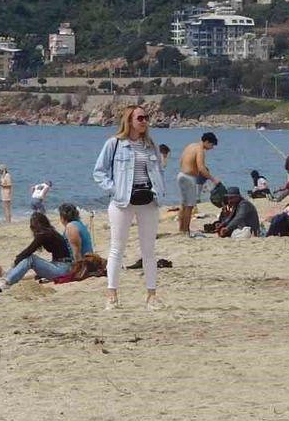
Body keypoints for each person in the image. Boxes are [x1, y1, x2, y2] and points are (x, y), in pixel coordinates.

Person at [93, 104, 167, 311]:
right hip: (122, 202)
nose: (144, 121)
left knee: (149, 250)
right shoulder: (115, 143)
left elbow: (159, 171)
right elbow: (99, 172)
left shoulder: (150, 145)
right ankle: (112, 294)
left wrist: (159, 190)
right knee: (117, 248)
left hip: (148, 200)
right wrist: (115, 189)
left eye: (146, 117)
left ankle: (151, 295)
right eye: (140, 118)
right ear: (129, 120)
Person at [0, 212, 72, 287]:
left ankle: (7, 282)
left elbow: (28, 251)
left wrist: (13, 264)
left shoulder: (44, 234)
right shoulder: (50, 232)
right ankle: (8, 275)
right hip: (62, 266)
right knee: (32, 266)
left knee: (31, 259)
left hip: (62, 269)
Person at [177, 132, 219, 234]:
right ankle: (186, 230)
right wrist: (213, 179)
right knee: (189, 206)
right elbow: (201, 168)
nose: (212, 148)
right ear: (207, 142)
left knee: (183, 204)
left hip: (181, 175)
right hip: (189, 177)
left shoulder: (190, 146)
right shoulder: (200, 150)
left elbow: (181, 160)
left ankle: (181, 229)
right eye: (212, 145)